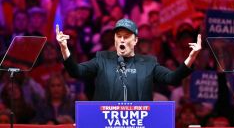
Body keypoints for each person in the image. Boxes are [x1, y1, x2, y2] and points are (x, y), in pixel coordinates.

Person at [56, 18, 202, 101]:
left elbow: (172, 78)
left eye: (126, 36)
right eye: (118, 36)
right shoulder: (102, 59)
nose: (122, 40)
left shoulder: (148, 63)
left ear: (136, 40)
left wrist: (191, 57)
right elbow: (76, 71)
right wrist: (64, 49)